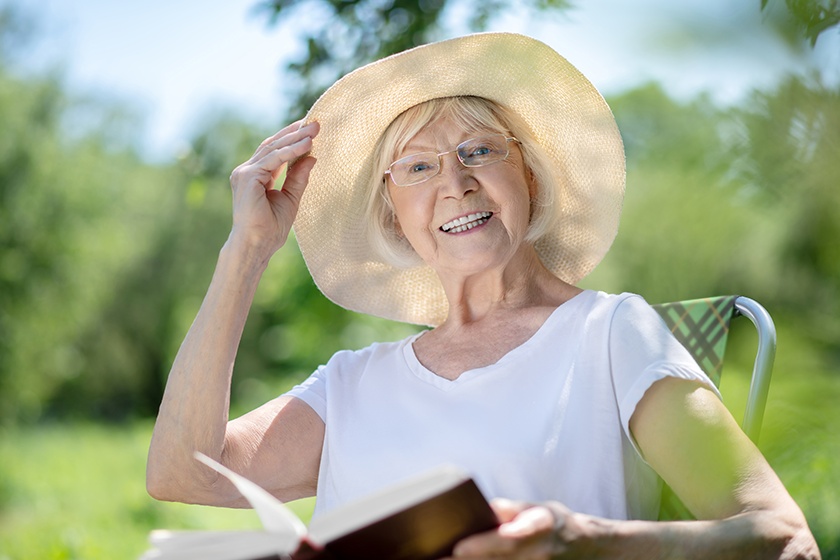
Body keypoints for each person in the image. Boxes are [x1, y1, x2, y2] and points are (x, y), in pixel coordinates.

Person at [146, 33, 820, 559]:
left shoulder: (612, 334)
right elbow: (183, 474)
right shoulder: (354, 382)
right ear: (392, 213)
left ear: (528, 171)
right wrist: (247, 253)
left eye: (478, 151)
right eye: (417, 167)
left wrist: (581, 544)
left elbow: (784, 540)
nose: (455, 183)